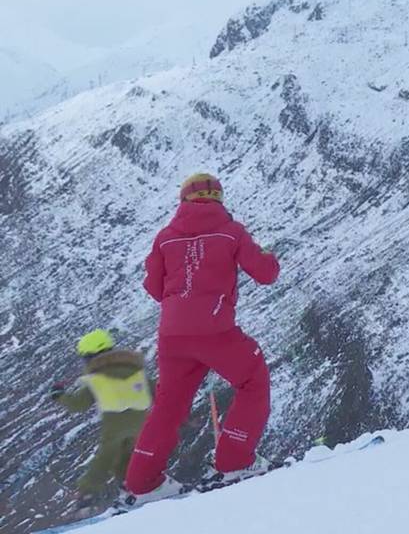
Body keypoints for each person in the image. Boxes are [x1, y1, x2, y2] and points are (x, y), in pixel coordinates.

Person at [123, 173, 279, 506]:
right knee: (253, 378)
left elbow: (153, 286)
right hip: (215, 331)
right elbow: (266, 274)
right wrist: (268, 255)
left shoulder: (165, 237)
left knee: (168, 406)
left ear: (183, 201)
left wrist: (183, 301)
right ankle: (235, 461)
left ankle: (142, 482)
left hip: (172, 336)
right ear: (218, 199)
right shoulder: (231, 231)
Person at [50, 329, 152, 516]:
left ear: (90, 357)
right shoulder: (137, 371)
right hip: (143, 424)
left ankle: (86, 498)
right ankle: (144, 487)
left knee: (107, 460)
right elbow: (156, 390)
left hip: (115, 427)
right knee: (135, 458)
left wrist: (59, 396)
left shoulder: (96, 379)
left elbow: (77, 405)